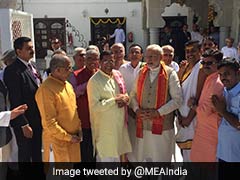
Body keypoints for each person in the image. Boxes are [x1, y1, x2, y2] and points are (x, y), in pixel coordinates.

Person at [129, 44, 182, 162]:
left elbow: (177, 100)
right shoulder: (141, 73)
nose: (149, 60)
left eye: (153, 56)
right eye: (147, 57)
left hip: (162, 127)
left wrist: (158, 112)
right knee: (143, 160)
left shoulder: (170, 73)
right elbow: (132, 96)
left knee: (161, 160)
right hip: (143, 125)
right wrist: (137, 110)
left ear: (161, 57)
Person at [35, 54, 82, 162]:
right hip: (57, 143)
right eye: (68, 68)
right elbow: (49, 123)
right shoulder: (46, 89)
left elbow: (73, 110)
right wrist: (68, 137)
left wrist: (78, 129)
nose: (71, 71)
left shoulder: (68, 85)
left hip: (73, 141)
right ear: (57, 70)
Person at [87, 50, 132, 162]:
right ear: (99, 62)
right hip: (104, 132)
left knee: (117, 163)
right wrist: (114, 100)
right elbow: (95, 107)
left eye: (111, 61)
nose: (108, 64)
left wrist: (126, 98)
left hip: (119, 128)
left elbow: (124, 93)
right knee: (106, 163)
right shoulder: (94, 81)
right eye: (105, 61)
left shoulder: (117, 75)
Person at [3, 37, 43, 162]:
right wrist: (24, 124)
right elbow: (16, 99)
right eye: (28, 48)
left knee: (37, 153)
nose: (32, 50)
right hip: (25, 121)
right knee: (26, 155)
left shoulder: (32, 66)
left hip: (37, 118)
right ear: (18, 51)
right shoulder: (13, 70)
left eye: (32, 47)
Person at [189, 49, 224, 162]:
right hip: (203, 130)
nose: (205, 66)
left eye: (209, 63)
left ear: (218, 64)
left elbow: (205, 111)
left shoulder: (217, 83)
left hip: (211, 133)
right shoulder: (210, 79)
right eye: (203, 63)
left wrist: (192, 106)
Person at [176, 40, 207, 162]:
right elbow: (177, 91)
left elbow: (198, 96)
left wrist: (189, 118)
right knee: (185, 155)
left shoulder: (201, 68)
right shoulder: (184, 67)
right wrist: (178, 115)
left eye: (193, 51)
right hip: (181, 116)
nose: (190, 54)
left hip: (193, 117)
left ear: (200, 51)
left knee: (195, 154)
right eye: (187, 51)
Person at [69, 49, 99, 162]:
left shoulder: (103, 74)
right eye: (89, 58)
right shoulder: (75, 75)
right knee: (84, 151)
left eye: (95, 59)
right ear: (84, 60)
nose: (92, 61)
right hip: (84, 119)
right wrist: (90, 82)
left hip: (99, 119)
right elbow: (74, 93)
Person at [118, 44, 144, 161]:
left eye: (137, 52)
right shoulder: (122, 69)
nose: (134, 55)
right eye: (132, 52)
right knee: (129, 137)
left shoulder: (145, 68)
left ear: (141, 55)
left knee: (142, 139)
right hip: (127, 109)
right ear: (128, 55)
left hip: (143, 109)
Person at [211, 58, 240, 162]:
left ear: (238, 73)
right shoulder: (224, 91)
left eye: (227, 74)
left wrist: (222, 111)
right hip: (223, 153)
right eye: (221, 75)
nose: (223, 78)